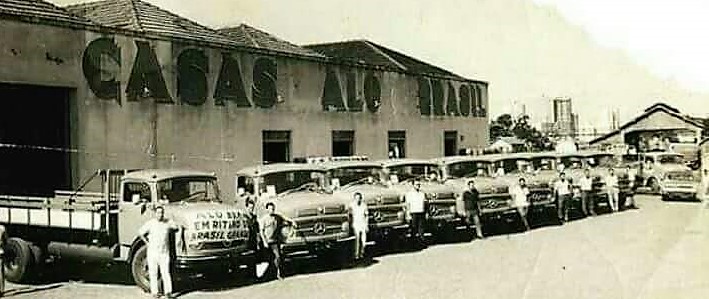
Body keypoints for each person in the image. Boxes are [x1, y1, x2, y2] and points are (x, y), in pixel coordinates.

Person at [138, 206, 180, 299]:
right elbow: (140, 232)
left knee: (166, 272)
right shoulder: (150, 223)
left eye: (161, 213)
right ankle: (155, 293)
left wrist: (171, 221)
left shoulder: (167, 223)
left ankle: (168, 292)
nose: (160, 215)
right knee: (153, 273)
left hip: (164, 252)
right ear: (155, 214)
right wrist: (147, 243)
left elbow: (176, 227)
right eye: (158, 213)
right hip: (153, 252)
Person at [259, 202, 296, 280]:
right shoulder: (264, 219)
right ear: (266, 209)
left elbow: (285, 218)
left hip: (275, 241)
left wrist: (292, 222)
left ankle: (278, 273)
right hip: (267, 241)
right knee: (270, 259)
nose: (271, 210)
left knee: (278, 257)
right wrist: (264, 242)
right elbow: (261, 231)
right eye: (269, 209)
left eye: (272, 209)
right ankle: (268, 275)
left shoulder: (277, 217)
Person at [405, 181, 427, 246]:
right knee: (413, 228)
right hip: (413, 212)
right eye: (416, 184)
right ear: (413, 185)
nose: (418, 186)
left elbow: (425, 203)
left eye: (419, 184)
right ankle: (413, 243)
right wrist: (408, 213)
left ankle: (422, 242)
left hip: (421, 212)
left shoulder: (422, 193)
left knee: (421, 228)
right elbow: (408, 204)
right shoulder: (409, 194)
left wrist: (426, 212)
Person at [351, 192, 369, 260]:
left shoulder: (364, 205)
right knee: (357, 239)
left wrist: (367, 225)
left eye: (359, 198)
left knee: (364, 240)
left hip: (363, 223)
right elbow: (350, 215)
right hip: (356, 224)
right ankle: (356, 255)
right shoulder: (352, 206)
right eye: (356, 198)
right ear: (354, 199)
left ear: (361, 199)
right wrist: (352, 224)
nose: (357, 200)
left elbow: (366, 215)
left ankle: (362, 253)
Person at [0, 224, 6, 297]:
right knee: (1, 273)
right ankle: (1, 290)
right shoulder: (2, 228)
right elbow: (6, 241)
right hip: (0, 252)